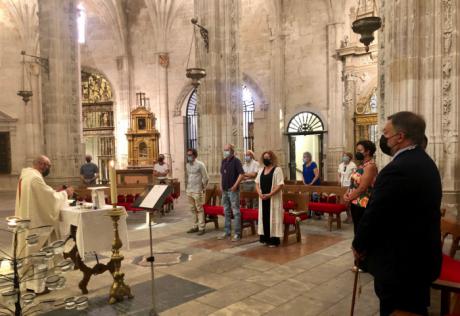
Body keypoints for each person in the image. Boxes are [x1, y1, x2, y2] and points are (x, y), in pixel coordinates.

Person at [352, 112, 442, 315]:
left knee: (397, 308)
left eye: (386, 133)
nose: (383, 138)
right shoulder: (424, 162)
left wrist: (359, 244)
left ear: (400, 137)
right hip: (419, 258)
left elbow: (376, 213)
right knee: (413, 306)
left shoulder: (398, 169)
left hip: (401, 263)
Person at [15, 156, 74, 245]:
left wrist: (55, 192)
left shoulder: (27, 175)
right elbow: (50, 200)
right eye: (48, 166)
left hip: (26, 215)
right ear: (42, 164)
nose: (49, 169)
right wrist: (65, 193)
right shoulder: (35, 178)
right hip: (34, 220)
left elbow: (40, 195)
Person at [344, 140, 378, 235]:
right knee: (357, 228)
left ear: (367, 151)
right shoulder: (361, 166)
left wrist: (349, 198)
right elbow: (353, 183)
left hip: (364, 203)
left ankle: (361, 249)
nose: (357, 153)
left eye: (360, 150)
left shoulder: (370, 167)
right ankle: (358, 248)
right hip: (355, 201)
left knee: (362, 230)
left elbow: (362, 187)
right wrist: (346, 193)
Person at [255, 151, 284, 247]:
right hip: (263, 198)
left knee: (273, 218)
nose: (265, 159)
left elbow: (280, 185)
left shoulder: (277, 170)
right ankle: (265, 239)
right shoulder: (261, 170)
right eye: (264, 158)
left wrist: (270, 194)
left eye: (267, 157)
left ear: (272, 158)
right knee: (264, 218)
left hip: (273, 198)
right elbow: (257, 183)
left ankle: (273, 240)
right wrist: (259, 193)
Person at [218, 144, 245, 242]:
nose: (225, 151)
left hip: (233, 190)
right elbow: (221, 174)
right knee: (226, 211)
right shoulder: (224, 161)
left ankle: (237, 233)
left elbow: (242, 174)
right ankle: (227, 231)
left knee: (236, 212)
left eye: (227, 150)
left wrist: (235, 185)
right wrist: (220, 185)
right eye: (224, 150)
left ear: (232, 151)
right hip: (225, 190)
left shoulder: (236, 161)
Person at [185, 148, 209, 236]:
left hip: (197, 190)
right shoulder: (187, 165)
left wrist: (203, 187)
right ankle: (195, 226)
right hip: (189, 190)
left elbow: (206, 177)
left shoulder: (200, 164)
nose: (189, 156)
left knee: (199, 209)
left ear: (194, 155)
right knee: (192, 209)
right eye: (188, 155)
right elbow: (189, 176)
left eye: (190, 155)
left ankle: (201, 227)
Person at [337, 152, 357, 223]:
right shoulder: (340, 165)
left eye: (346, 156)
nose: (345, 157)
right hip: (343, 185)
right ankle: (348, 216)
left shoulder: (353, 165)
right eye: (344, 156)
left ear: (350, 158)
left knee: (349, 202)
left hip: (350, 185)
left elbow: (355, 175)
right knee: (344, 202)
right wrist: (339, 181)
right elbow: (339, 174)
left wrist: (352, 183)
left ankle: (351, 217)